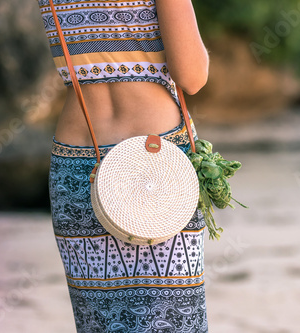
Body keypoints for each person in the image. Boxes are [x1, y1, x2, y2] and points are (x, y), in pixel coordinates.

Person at [38, 0, 210, 331]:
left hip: (77, 162)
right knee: (172, 322)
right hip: (156, 163)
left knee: (100, 323)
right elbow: (192, 76)